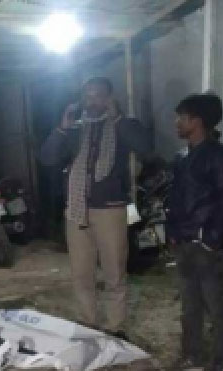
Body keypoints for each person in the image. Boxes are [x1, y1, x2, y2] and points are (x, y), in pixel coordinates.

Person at [39, 77, 152, 339]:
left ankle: (115, 327)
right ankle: (86, 323)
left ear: (109, 98)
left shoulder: (123, 126)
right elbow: (47, 158)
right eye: (88, 96)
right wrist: (62, 128)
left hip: (110, 210)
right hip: (76, 210)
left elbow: (145, 147)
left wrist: (118, 119)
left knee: (114, 272)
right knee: (81, 273)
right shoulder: (75, 130)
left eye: (99, 96)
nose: (92, 102)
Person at [159, 94, 223, 371]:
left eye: (181, 117)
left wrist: (211, 239)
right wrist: (173, 233)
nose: (176, 123)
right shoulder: (183, 157)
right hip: (185, 242)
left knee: (217, 307)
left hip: (206, 246)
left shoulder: (222, 158)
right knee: (190, 305)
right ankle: (192, 356)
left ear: (197, 121)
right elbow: (177, 200)